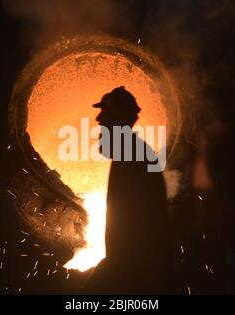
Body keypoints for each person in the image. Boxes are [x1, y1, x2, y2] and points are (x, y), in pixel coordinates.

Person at [86, 86, 178, 294]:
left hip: (137, 277)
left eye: (105, 114)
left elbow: (139, 229)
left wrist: (121, 272)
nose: (99, 120)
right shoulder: (131, 154)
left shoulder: (135, 159)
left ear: (118, 120)